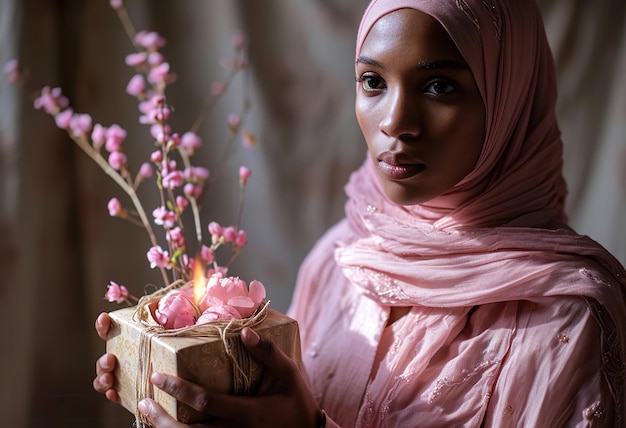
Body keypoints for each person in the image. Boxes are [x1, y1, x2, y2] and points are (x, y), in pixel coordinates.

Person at [94, 0, 626, 426]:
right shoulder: (340, 260)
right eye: (373, 82)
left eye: (439, 86)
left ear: (510, 99)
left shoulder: (568, 317)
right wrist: (188, 390)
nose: (396, 121)